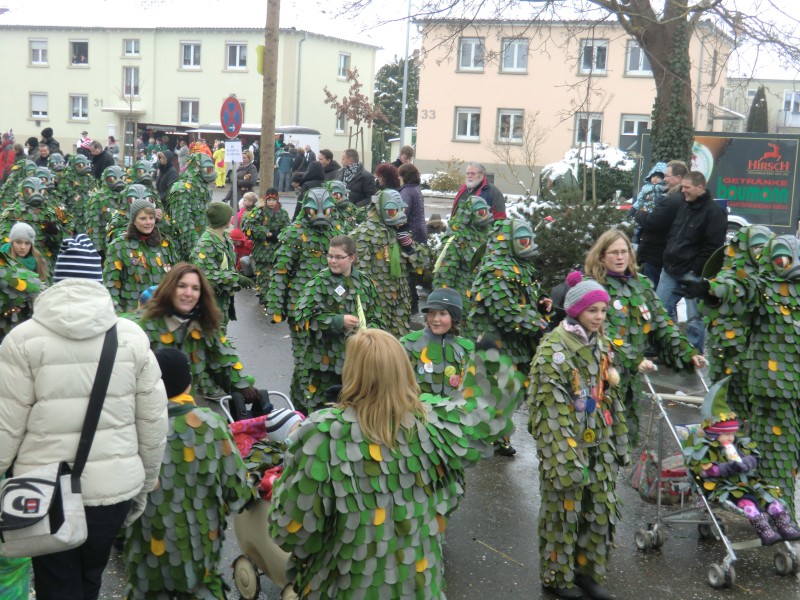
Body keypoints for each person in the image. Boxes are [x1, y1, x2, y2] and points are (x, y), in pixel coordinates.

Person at [269, 328, 525, 600]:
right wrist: (487, 356)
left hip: (344, 585)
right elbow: (484, 412)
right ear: (404, 369)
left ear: (352, 372)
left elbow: (290, 531)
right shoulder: (435, 425)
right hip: (419, 585)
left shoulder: (321, 436)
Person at [0, 234, 169, 600]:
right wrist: (146, 479)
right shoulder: (131, 338)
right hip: (113, 488)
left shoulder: (21, 340)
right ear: (98, 283)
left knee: (54, 582)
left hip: (43, 490)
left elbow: (6, 425)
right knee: (91, 576)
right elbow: (153, 422)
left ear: (56, 282)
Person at [123, 347, 253, 600]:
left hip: (145, 550)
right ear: (188, 384)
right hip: (199, 552)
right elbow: (237, 493)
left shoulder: (132, 427)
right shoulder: (211, 425)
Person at [529, 272, 628, 600]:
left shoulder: (601, 344)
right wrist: (566, 454)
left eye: (603, 310)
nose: (599, 317)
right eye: (592, 311)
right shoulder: (553, 350)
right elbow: (549, 411)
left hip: (598, 441)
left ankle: (588, 571)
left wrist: (618, 437)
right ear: (575, 311)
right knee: (563, 512)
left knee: (599, 510)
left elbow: (610, 395)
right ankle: (557, 576)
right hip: (566, 446)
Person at [583, 229, 702, 444]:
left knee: (625, 436)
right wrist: (634, 359)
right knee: (599, 437)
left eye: (624, 251)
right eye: (613, 253)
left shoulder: (642, 285)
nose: (620, 257)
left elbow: (662, 323)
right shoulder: (593, 287)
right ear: (601, 256)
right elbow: (603, 331)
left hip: (632, 379)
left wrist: (687, 351)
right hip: (600, 375)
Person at [684, 377, 800, 546]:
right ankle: (764, 531)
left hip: (746, 480)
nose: (731, 437)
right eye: (727, 434)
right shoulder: (706, 448)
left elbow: (753, 455)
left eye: (732, 433)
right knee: (747, 500)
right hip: (723, 486)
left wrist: (749, 461)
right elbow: (705, 470)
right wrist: (728, 467)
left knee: (768, 495)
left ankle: (784, 526)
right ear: (714, 434)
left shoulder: (736, 443)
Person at [134, 261, 260, 401]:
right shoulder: (142, 328)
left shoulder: (204, 324)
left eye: (195, 288)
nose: (189, 293)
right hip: (146, 410)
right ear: (169, 288)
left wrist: (242, 386)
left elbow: (222, 359)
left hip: (186, 408)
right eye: (182, 286)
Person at [294, 235, 383, 412]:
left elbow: (377, 317)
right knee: (323, 409)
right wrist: (338, 321)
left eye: (338, 257)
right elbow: (304, 316)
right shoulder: (319, 282)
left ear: (352, 258)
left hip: (358, 362)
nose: (332, 261)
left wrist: (369, 330)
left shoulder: (365, 283)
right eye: (330, 256)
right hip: (326, 363)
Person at [655, 170, 727, 352]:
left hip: (692, 273)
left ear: (700, 187)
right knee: (659, 309)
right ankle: (668, 349)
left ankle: (693, 353)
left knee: (695, 317)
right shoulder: (684, 206)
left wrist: (696, 270)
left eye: (687, 187)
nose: (683, 191)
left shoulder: (714, 213)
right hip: (670, 269)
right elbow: (674, 234)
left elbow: (713, 247)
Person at [103, 197, 179, 313]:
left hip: (161, 313)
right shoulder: (119, 246)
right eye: (143, 218)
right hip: (132, 314)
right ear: (134, 221)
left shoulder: (165, 244)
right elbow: (111, 284)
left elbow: (174, 280)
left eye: (151, 218)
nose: (148, 222)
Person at [400, 288, 474, 397]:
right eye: (431, 313)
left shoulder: (467, 349)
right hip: (419, 411)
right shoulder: (409, 344)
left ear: (454, 317)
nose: (435, 319)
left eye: (442, 314)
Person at [192, 202, 253, 328]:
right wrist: (236, 278)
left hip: (223, 297)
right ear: (223, 220)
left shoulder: (223, 238)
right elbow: (204, 274)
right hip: (212, 300)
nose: (231, 218)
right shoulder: (206, 243)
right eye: (228, 216)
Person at [633, 160, 689, 287]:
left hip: (656, 255)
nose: (664, 179)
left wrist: (640, 213)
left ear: (678, 178)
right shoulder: (681, 198)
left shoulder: (672, 200)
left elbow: (653, 222)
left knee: (653, 295)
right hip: (665, 254)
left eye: (667, 176)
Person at [240, 188, 290, 302]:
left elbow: (288, 228)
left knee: (277, 275)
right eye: (269, 200)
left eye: (274, 199)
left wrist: (279, 235)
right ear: (266, 200)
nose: (271, 202)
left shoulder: (283, 213)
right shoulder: (259, 211)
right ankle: (263, 297)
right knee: (263, 275)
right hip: (262, 250)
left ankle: (275, 298)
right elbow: (249, 225)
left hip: (278, 250)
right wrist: (266, 233)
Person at [398, 162, 427, 312]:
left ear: (404, 176)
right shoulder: (416, 189)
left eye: (400, 175)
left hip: (410, 234)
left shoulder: (407, 192)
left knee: (407, 271)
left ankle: (412, 304)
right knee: (413, 272)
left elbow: (401, 214)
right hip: (420, 233)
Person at [628, 162, 667, 244]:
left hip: (656, 211)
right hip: (645, 209)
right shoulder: (646, 187)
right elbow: (640, 200)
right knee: (636, 225)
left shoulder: (664, 188)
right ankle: (634, 241)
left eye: (658, 177)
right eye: (653, 176)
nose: (655, 179)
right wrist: (633, 208)